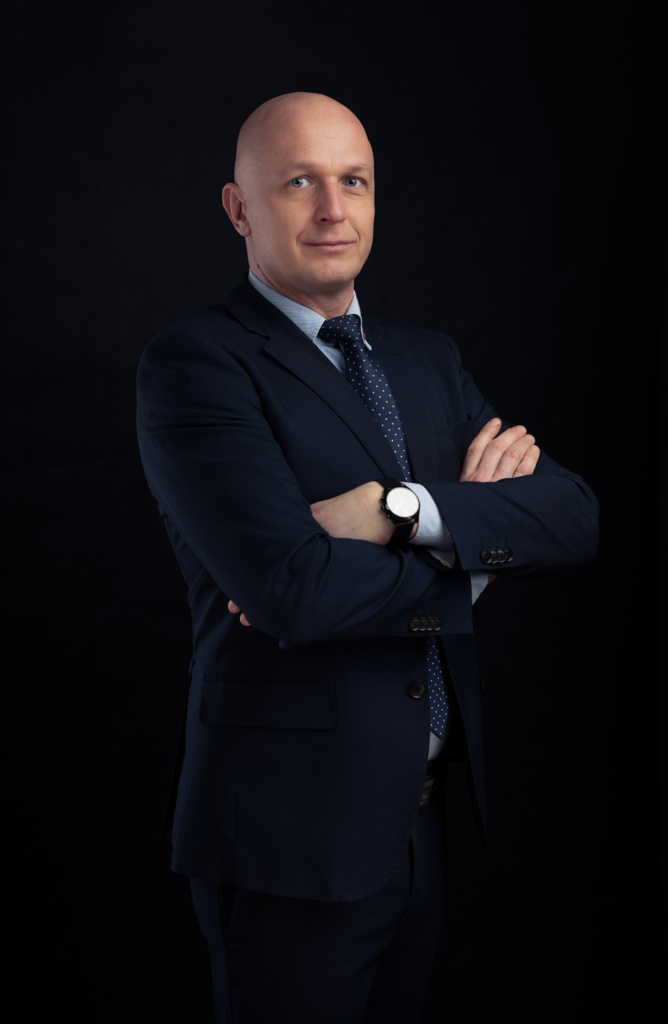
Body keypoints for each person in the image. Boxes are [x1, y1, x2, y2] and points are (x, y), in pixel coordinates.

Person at [136, 92, 598, 1024]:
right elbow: (294, 593)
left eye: (354, 181)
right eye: (299, 183)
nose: (332, 210)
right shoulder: (198, 365)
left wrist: (399, 510)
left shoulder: (428, 363)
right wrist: (477, 555)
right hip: (287, 836)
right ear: (239, 208)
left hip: (419, 820)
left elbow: (572, 517)